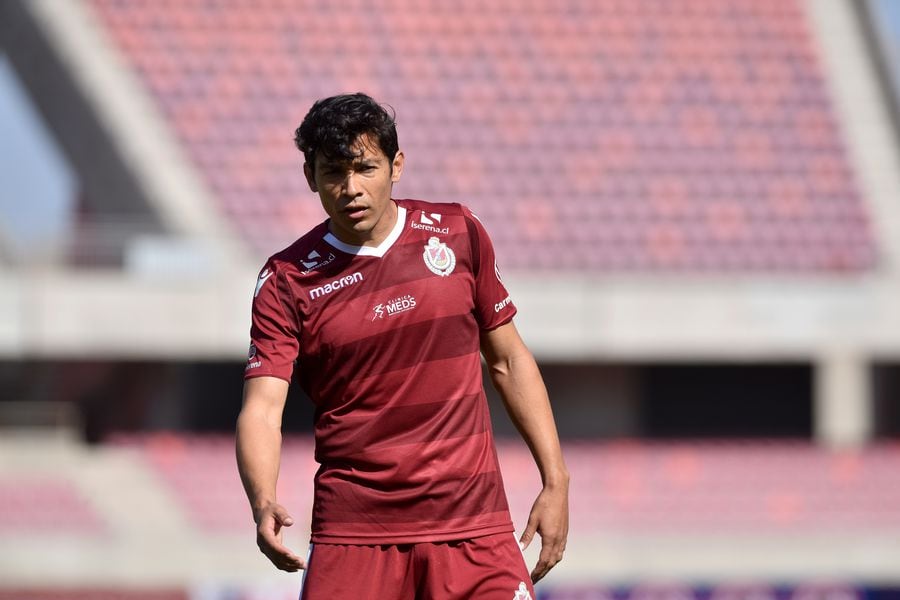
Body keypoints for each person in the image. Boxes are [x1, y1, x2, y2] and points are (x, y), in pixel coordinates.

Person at [236, 92, 569, 599]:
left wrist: (556, 479)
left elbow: (507, 360)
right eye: (333, 173)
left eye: (366, 168)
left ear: (396, 166)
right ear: (310, 177)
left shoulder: (458, 233)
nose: (351, 188)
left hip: (473, 527)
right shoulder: (287, 279)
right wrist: (263, 502)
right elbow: (262, 410)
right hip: (355, 536)